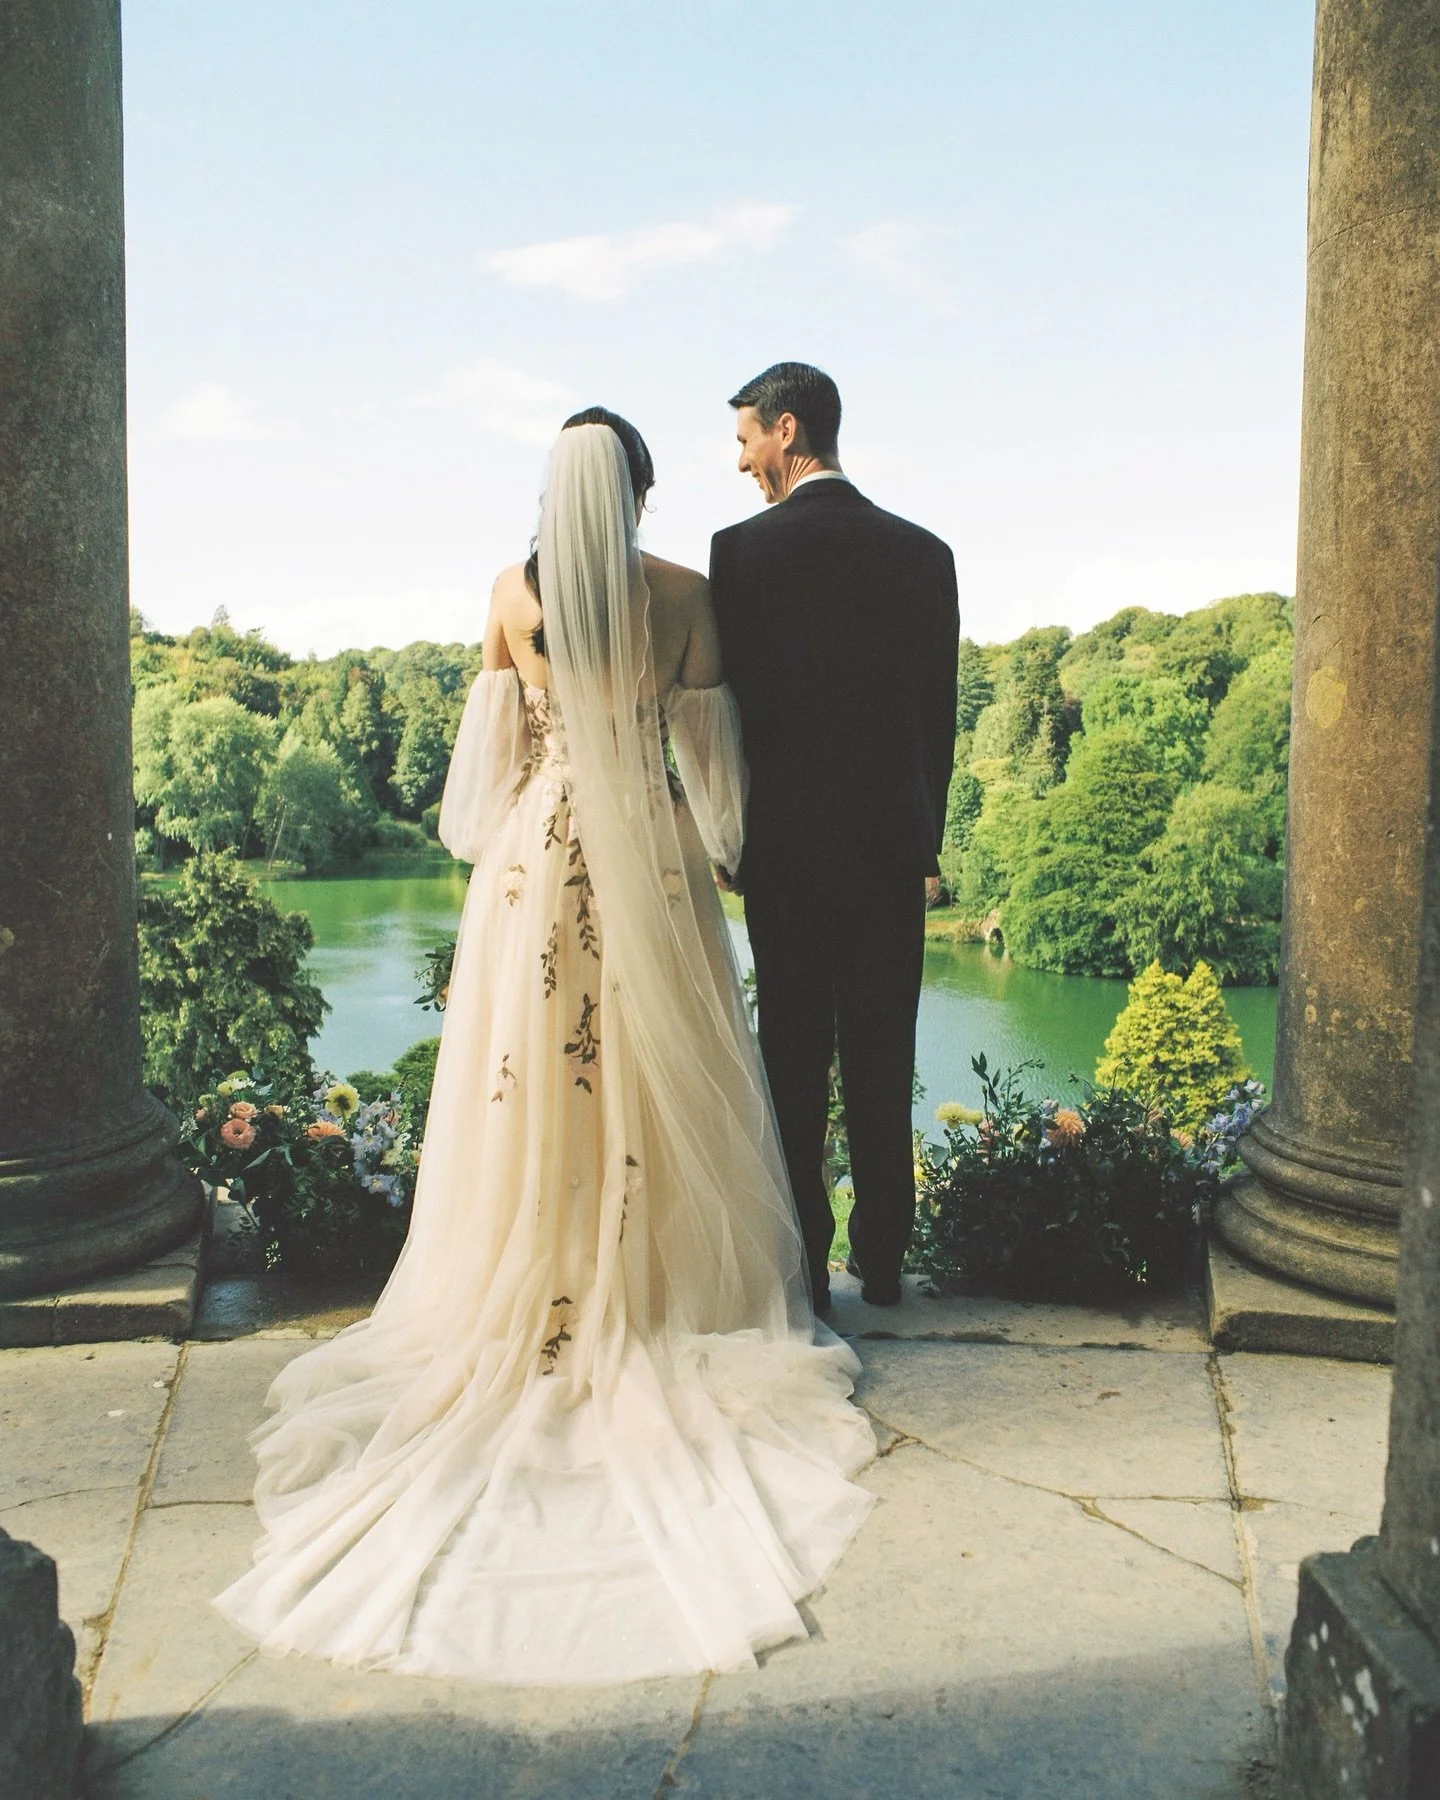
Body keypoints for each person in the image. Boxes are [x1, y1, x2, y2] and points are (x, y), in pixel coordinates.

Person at [213, 412, 876, 1685]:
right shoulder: (684, 594)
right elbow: (709, 761)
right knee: (663, 1067)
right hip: (649, 859)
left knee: (525, 1080)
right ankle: (666, 1286)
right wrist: (725, 849)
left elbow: (493, 761)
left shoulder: (512, 598)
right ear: (637, 492)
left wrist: (517, 824)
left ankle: (542, 1264)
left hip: (536, 866)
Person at [710, 364, 960, 1311]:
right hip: (891, 855)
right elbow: (935, 718)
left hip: (784, 858)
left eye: (745, 442)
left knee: (793, 1063)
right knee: (883, 1057)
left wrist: (733, 833)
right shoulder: (923, 554)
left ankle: (806, 1268)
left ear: (787, 430)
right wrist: (924, 842)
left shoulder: (739, 554)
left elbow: (729, 717)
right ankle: (886, 1260)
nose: (742, 464)